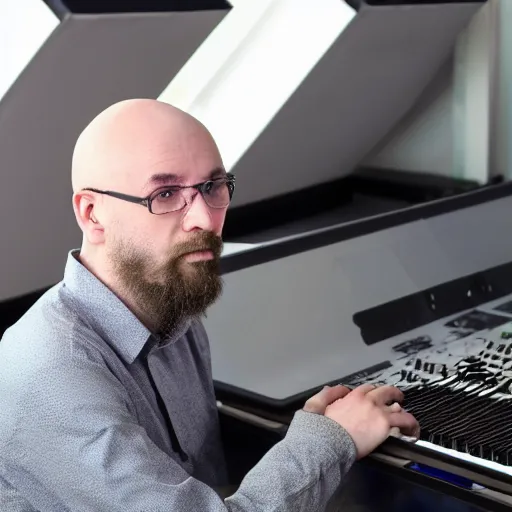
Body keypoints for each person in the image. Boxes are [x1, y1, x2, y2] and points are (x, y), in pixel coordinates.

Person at [0, 99, 419, 511]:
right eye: (164, 193)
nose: (204, 217)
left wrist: (320, 434)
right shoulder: (50, 374)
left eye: (212, 187)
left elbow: (207, 484)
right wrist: (327, 442)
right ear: (92, 215)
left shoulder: (172, 306)